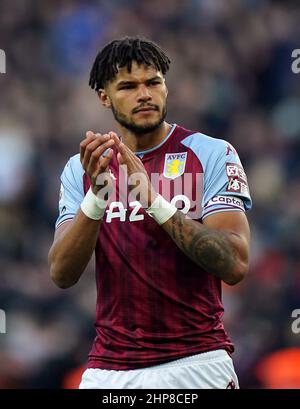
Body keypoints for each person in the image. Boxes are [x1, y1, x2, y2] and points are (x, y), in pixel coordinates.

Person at [48, 36, 252, 389]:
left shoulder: (210, 154)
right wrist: (97, 198)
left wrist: (153, 200)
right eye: (128, 86)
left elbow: (234, 264)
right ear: (104, 97)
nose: (144, 94)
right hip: (109, 372)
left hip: (196, 364)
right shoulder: (82, 169)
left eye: (153, 82)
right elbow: (62, 273)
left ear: (165, 87)